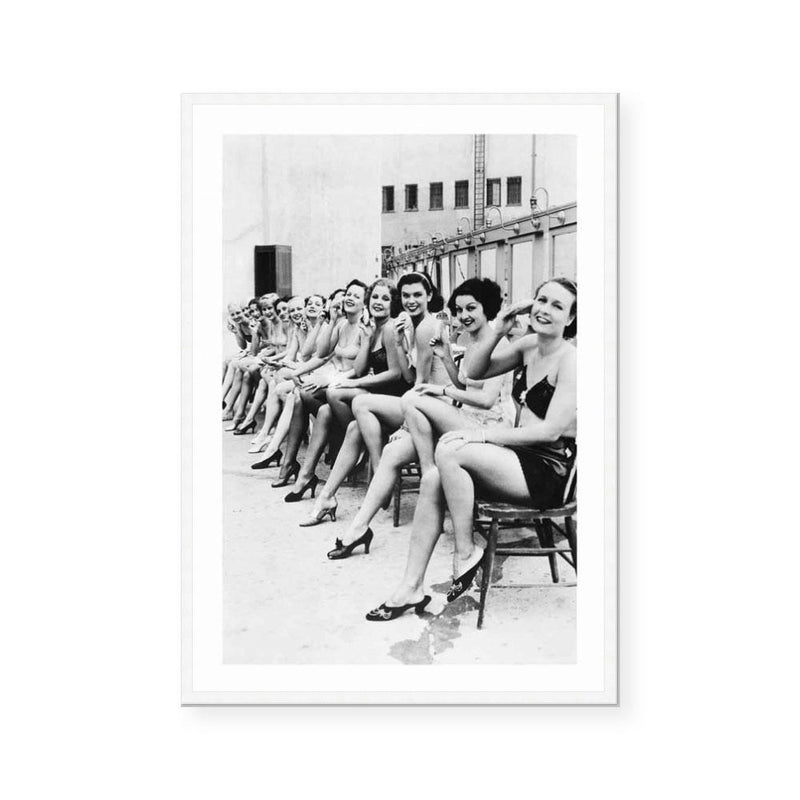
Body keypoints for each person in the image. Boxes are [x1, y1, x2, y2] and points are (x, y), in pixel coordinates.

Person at [365, 277, 577, 620]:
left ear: (571, 317)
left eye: (557, 306)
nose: (545, 310)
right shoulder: (528, 345)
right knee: (435, 478)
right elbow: (476, 371)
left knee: (451, 448)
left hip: (548, 471)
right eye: (541, 300)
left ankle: (465, 552)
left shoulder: (571, 361)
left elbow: (550, 431)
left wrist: (482, 436)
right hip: (518, 459)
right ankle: (410, 587)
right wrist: (500, 327)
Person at [327, 278, 515, 561]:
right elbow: (464, 384)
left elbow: (487, 399)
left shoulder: (498, 344)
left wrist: (441, 391)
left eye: (471, 308)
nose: (464, 315)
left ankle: (429, 473)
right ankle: (358, 528)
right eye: (459, 309)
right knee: (392, 452)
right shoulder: (470, 339)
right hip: (464, 420)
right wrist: (447, 356)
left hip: (489, 428)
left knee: (413, 398)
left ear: (486, 307)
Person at [298, 278, 412, 526]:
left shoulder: (390, 328)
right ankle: (327, 498)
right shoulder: (373, 328)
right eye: (375, 297)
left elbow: (395, 375)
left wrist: (353, 384)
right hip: (376, 401)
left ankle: (377, 468)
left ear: (393, 303)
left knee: (340, 396)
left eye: (385, 298)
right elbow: (360, 368)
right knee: (353, 425)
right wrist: (368, 340)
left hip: (396, 401)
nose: (378, 302)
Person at [279, 279, 371, 501]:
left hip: (355, 386)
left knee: (321, 404)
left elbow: (363, 368)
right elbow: (321, 355)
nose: (349, 298)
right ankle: (299, 471)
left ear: (364, 303)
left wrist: (329, 380)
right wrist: (331, 319)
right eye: (348, 294)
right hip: (337, 387)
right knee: (304, 397)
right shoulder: (341, 325)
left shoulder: (366, 328)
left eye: (356, 296)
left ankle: (354, 444)